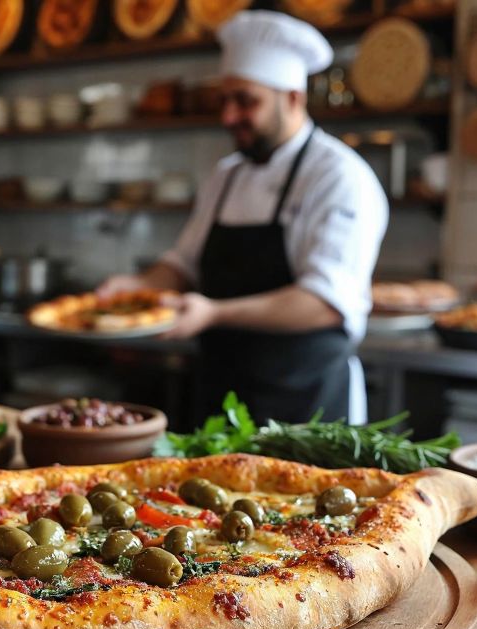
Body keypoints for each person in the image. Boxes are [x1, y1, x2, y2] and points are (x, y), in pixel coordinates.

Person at [98, 11, 388, 424]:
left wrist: (213, 313)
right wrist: (135, 290)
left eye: (246, 101)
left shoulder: (339, 176)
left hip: (306, 407)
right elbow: (184, 263)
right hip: (222, 398)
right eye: (225, 100)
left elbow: (325, 302)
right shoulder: (227, 174)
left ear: (293, 97)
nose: (228, 116)